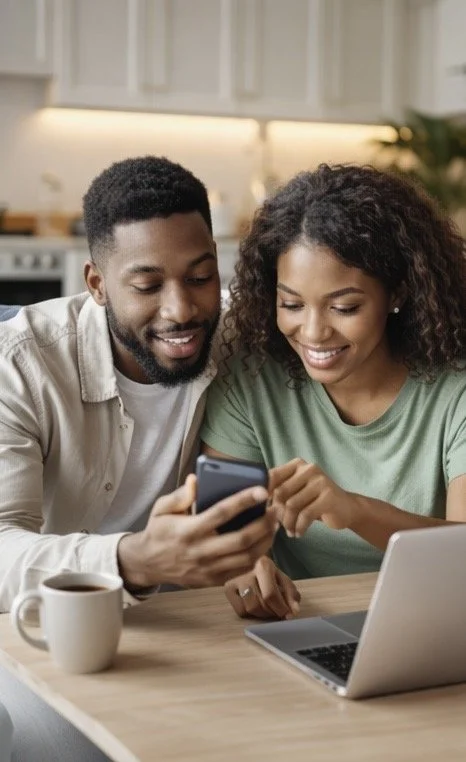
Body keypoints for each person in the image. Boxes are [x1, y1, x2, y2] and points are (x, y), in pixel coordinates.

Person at [0, 155, 276, 762]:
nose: (180, 310)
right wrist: (131, 559)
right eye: (147, 286)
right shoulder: (20, 363)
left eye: (201, 277)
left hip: (190, 621)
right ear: (96, 283)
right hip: (43, 624)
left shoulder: (241, 337)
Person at [200, 163, 466, 621]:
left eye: (345, 306)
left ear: (398, 293)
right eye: (291, 304)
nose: (314, 332)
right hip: (295, 624)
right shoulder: (249, 378)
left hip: (429, 621)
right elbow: (222, 532)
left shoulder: (454, 389)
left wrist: (356, 510)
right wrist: (245, 568)